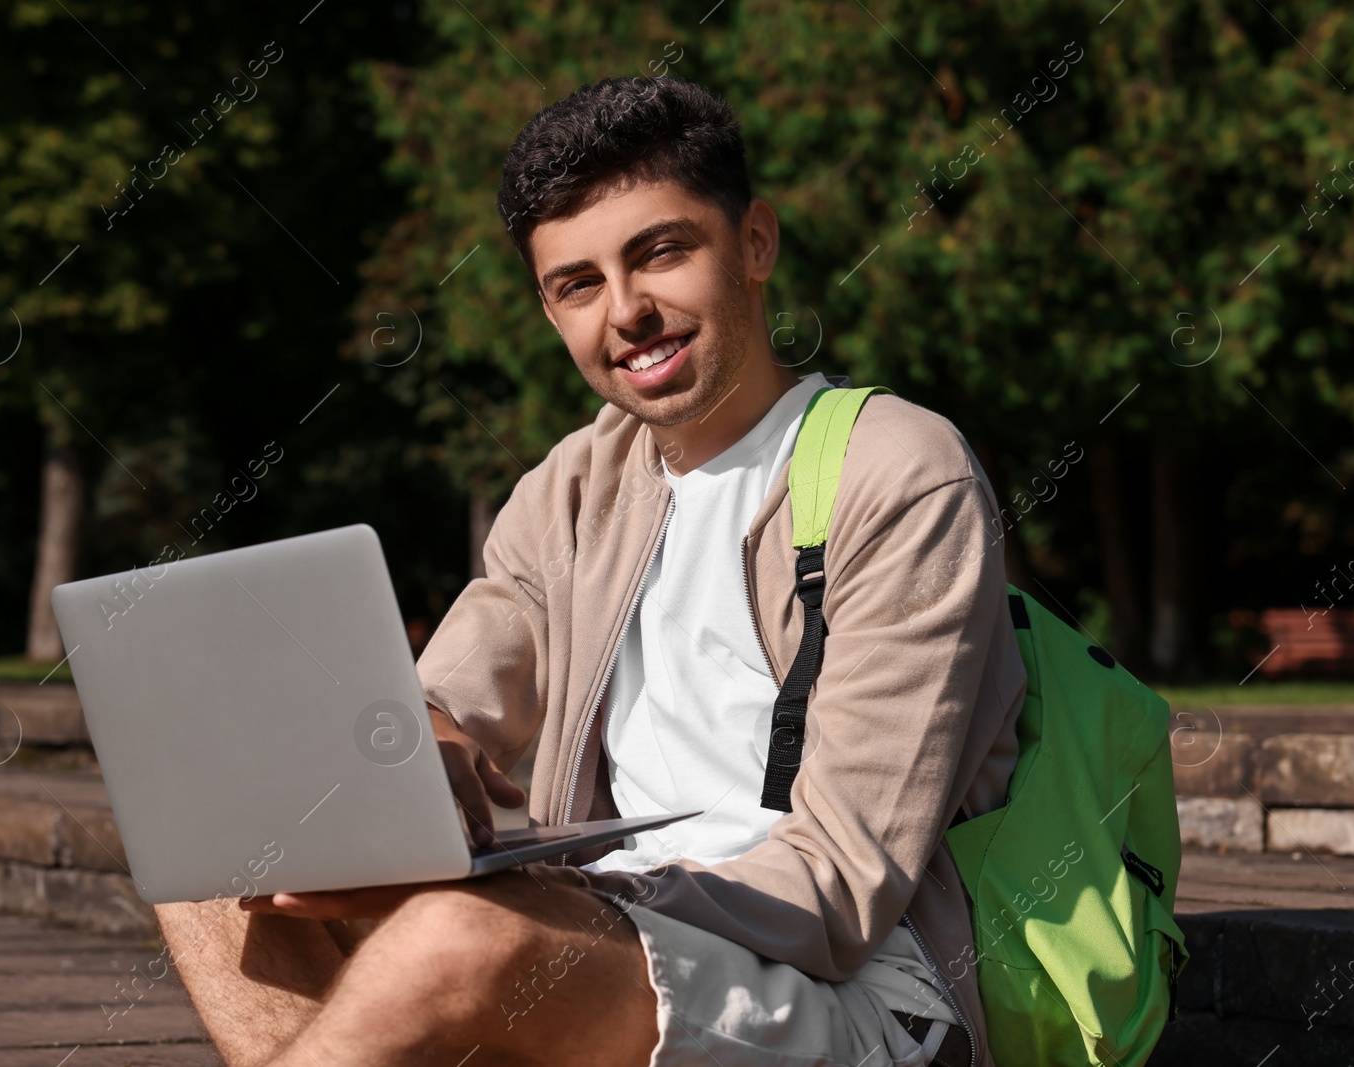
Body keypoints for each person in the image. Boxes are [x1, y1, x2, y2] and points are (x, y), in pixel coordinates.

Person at [154, 75, 1026, 1067]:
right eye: (578, 283)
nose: (628, 312)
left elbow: (838, 887)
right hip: (615, 941)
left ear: (754, 243)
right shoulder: (576, 484)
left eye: (660, 252)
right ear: (548, 306)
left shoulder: (897, 466)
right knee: (212, 868)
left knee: (457, 934)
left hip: (862, 995)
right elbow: (451, 695)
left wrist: (555, 897)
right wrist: (400, 778)